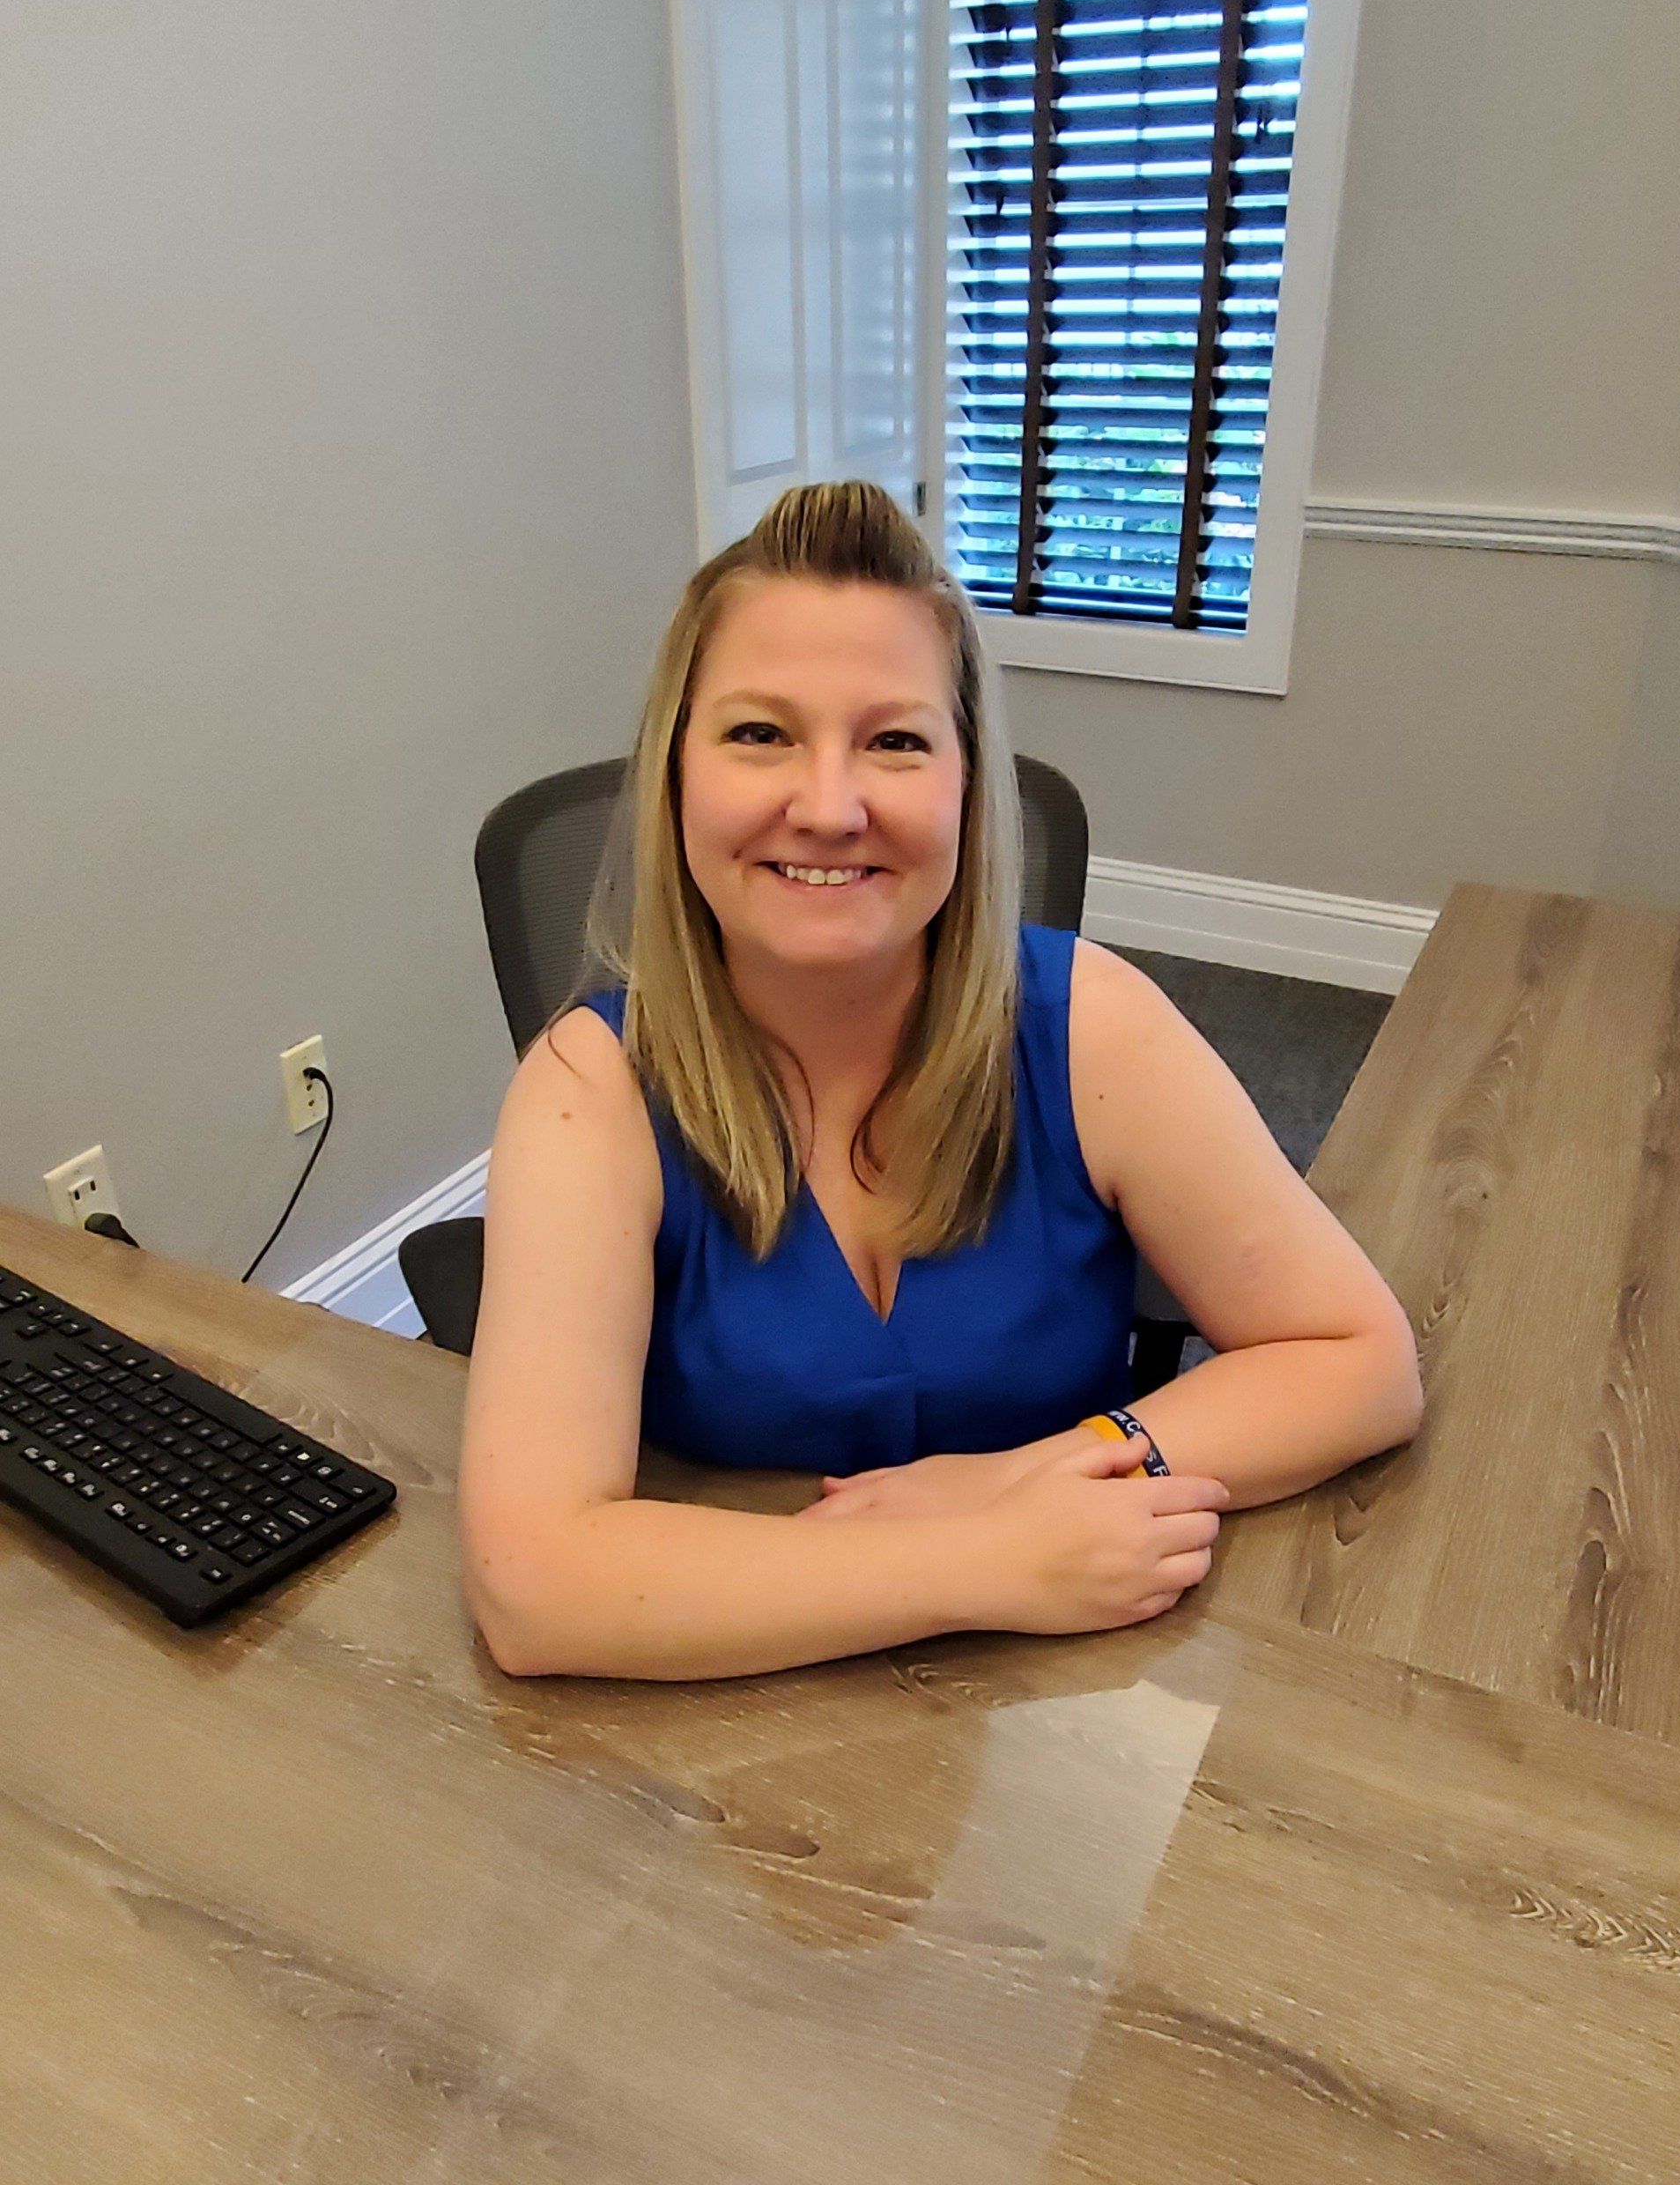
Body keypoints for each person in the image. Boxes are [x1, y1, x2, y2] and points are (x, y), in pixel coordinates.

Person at [458, 481, 1423, 1682]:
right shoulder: (587, 1092)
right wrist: (989, 1561)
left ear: (970, 784)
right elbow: (536, 1587)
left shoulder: (1091, 1030)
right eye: (760, 733)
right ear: (674, 776)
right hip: (720, 1716)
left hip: (1070, 1699)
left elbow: (1360, 1357)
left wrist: (1013, 1479)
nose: (828, 806)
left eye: (896, 740)